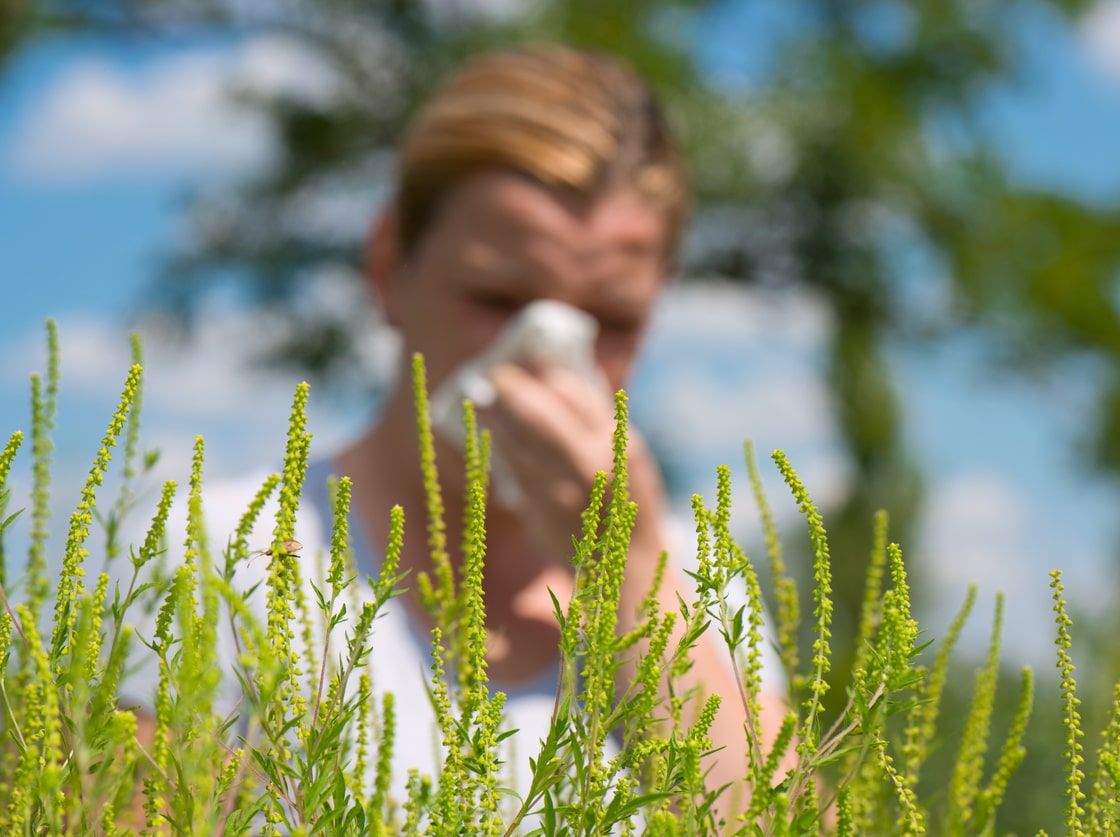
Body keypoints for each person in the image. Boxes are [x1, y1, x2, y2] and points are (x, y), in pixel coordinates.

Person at [132, 43, 789, 827]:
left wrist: (633, 578)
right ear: (388, 268)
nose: (549, 360)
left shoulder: (700, 581)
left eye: (612, 321)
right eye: (498, 297)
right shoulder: (218, 552)